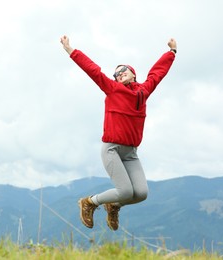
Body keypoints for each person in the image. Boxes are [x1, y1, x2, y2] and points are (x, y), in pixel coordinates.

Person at [60, 35, 176, 231]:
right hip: (112, 149)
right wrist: (71, 50)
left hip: (131, 153)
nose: (118, 75)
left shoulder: (143, 92)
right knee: (125, 191)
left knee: (140, 193)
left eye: (122, 71)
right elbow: (92, 70)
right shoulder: (113, 89)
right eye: (116, 74)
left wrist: (171, 52)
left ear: (133, 73)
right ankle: (89, 202)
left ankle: (113, 205)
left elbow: (158, 73)